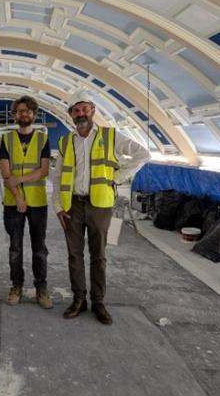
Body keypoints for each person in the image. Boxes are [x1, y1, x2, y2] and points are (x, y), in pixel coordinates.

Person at [52, 91, 150, 325]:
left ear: (93, 111)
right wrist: (57, 206)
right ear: (71, 115)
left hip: (100, 206)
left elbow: (143, 154)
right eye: (76, 110)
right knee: (74, 255)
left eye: (85, 109)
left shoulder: (111, 136)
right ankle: (79, 300)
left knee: (99, 256)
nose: (81, 113)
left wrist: (117, 178)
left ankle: (98, 302)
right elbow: (58, 176)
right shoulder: (65, 142)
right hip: (72, 205)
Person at [0, 96, 52, 309]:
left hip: (38, 202)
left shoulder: (42, 139)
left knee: (39, 248)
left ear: (34, 114)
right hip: (13, 202)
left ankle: (41, 288)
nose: (24, 114)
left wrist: (19, 179)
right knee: (15, 248)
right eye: (20, 111)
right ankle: (16, 286)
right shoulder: (7, 139)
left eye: (28, 111)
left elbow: (44, 171)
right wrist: (19, 197)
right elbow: (5, 172)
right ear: (15, 115)